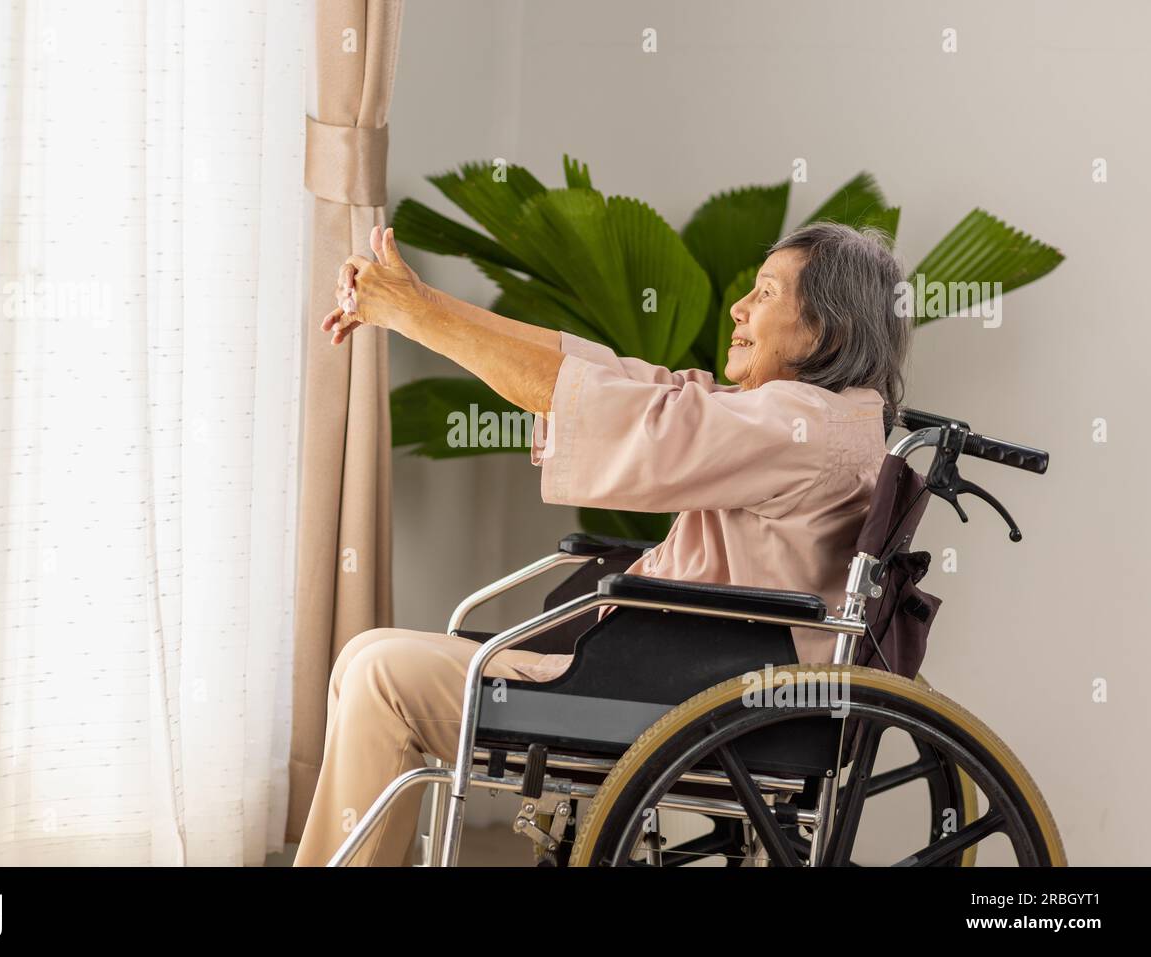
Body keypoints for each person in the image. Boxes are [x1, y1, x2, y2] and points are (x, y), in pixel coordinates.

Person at [292, 220, 910, 866]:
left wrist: (416, 316)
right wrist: (425, 305)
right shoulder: (820, 416)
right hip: (691, 688)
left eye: (766, 292)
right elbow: (620, 382)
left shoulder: (798, 425)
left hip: (682, 703)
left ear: (828, 332)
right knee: (367, 660)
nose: (740, 307)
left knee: (377, 672)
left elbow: (631, 416)